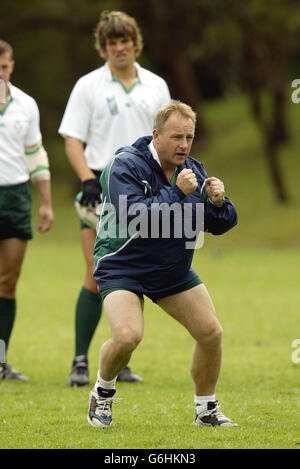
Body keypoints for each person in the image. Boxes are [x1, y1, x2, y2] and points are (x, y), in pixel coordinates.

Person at [87, 100, 238, 428]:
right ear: (156, 135)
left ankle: (206, 408)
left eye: (189, 137)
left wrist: (218, 202)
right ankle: (103, 390)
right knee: (127, 336)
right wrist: (178, 194)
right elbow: (135, 218)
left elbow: (218, 224)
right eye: (176, 137)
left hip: (171, 269)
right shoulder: (125, 164)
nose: (184, 145)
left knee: (211, 332)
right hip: (123, 265)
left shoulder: (193, 170)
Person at [58, 11, 171, 387]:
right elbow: (72, 138)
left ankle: (120, 360)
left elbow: (168, 139)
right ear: (103, 47)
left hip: (145, 193)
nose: (119, 48)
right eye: (111, 43)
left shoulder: (155, 86)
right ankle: (79, 361)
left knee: (133, 274)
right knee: (95, 273)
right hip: (100, 190)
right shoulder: (88, 86)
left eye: (124, 41)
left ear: (134, 43)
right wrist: (87, 179)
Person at [0, 40, 54, 380]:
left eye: (3, 67)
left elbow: (35, 155)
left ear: (12, 66)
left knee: (7, 282)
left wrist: (46, 201)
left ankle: (1, 359)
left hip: (16, 197)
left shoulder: (26, 105)